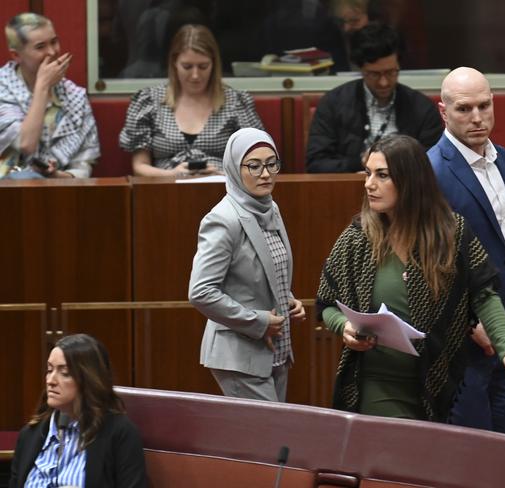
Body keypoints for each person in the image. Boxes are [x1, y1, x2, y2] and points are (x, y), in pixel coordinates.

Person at [316, 134, 505, 421]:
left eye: (382, 175)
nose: (369, 184)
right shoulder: (357, 238)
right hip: (377, 383)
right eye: (368, 173)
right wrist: (344, 326)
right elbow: (326, 304)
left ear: (410, 181)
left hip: (440, 380)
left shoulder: (452, 232)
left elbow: (484, 294)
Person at [427, 67, 505, 435]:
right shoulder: (431, 170)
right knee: (472, 450)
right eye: (465, 109)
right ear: (443, 111)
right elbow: (429, 263)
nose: (478, 118)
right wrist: (467, 323)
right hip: (465, 336)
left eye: (485, 105)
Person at [189, 127, 306, 402]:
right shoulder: (223, 220)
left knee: (273, 439)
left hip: (275, 349)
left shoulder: (269, 208)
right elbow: (201, 292)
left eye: (271, 164)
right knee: (271, 438)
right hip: (239, 354)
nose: (265, 174)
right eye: (253, 166)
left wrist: (287, 298)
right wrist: (257, 321)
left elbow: (267, 272)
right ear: (233, 168)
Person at [119, 24, 264, 177]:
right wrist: (172, 174)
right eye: (187, 66)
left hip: (223, 190)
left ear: (214, 64)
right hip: (165, 190)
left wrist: (221, 175)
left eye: (203, 66)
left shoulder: (235, 102)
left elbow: (257, 161)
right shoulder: (149, 101)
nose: (195, 75)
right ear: (174, 63)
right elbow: (139, 167)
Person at [9, 334, 146, 488]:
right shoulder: (30, 435)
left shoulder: (119, 433)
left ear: (89, 379)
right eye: (49, 370)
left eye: (65, 373)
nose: (51, 380)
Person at [306, 22, 442, 173]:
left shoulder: (422, 108)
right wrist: (360, 162)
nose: (383, 82)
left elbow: (435, 164)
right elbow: (316, 164)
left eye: (391, 72)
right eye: (374, 74)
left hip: (406, 191)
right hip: (350, 188)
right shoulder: (333, 103)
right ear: (361, 69)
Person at [0, 13, 100, 179]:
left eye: (54, 42)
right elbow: (26, 144)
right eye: (40, 47)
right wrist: (43, 87)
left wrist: (57, 175)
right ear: (16, 55)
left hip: (59, 193)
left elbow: (84, 165)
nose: (53, 52)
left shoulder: (75, 96)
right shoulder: (3, 87)